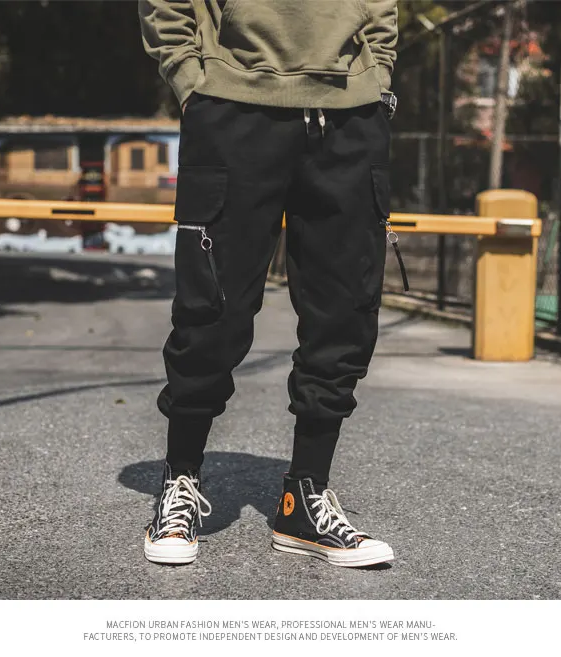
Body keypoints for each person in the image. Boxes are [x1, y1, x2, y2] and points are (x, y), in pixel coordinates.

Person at [139, 0, 402, 568]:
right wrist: (191, 81)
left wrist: (377, 76)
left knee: (345, 309)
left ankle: (305, 497)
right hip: (232, 105)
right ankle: (180, 479)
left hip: (351, 114)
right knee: (214, 306)